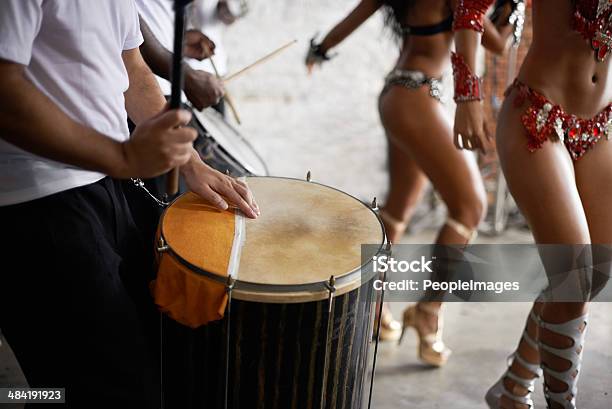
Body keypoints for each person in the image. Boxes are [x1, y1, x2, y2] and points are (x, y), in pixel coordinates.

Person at [0, 1, 258, 407]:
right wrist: (123, 157)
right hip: (35, 202)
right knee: (103, 387)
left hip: (105, 180)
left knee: (162, 355)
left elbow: (133, 71)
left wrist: (192, 163)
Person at [306, 0, 515, 366]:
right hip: (418, 97)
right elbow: (497, 43)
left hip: (396, 93)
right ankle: (427, 312)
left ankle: (367, 310)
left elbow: (349, 21)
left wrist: (319, 51)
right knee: (470, 207)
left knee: (398, 210)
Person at [452, 0, 611, 408]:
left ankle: (513, 386)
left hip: (600, 125)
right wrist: (468, 96)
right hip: (538, 116)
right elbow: (470, 10)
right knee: (574, 273)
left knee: (592, 275)